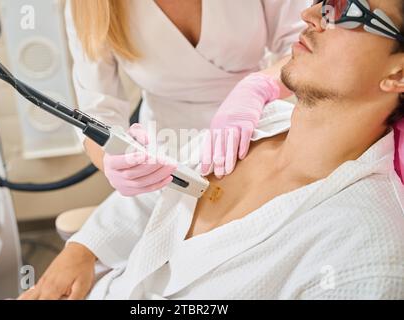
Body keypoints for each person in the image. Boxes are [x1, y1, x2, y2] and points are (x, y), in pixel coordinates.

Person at [20, 0, 404, 299]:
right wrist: (85, 243)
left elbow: (304, 46)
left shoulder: (362, 246)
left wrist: (258, 87)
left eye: (349, 9)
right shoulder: (256, 136)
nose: (310, 12)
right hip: (166, 145)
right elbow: (103, 119)